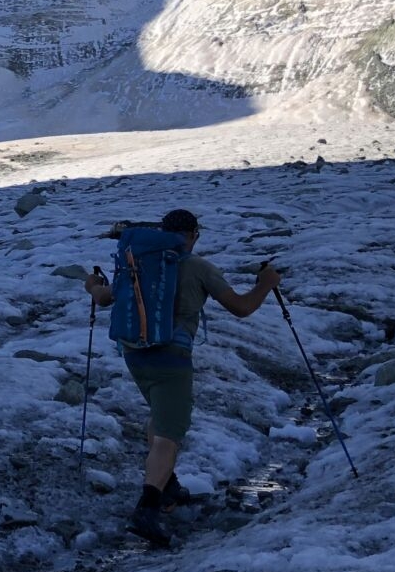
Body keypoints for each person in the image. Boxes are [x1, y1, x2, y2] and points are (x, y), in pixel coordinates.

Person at [83, 209, 278, 548]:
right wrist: (266, 284)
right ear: (193, 235)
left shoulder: (139, 261)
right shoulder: (198, 267)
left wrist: (92, 285)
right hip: (172, 358)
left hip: (134, 355)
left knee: (160, 417)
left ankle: (169, 487)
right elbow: (242, 307)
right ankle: (147, 508)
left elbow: (103, 298)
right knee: (168, 436)